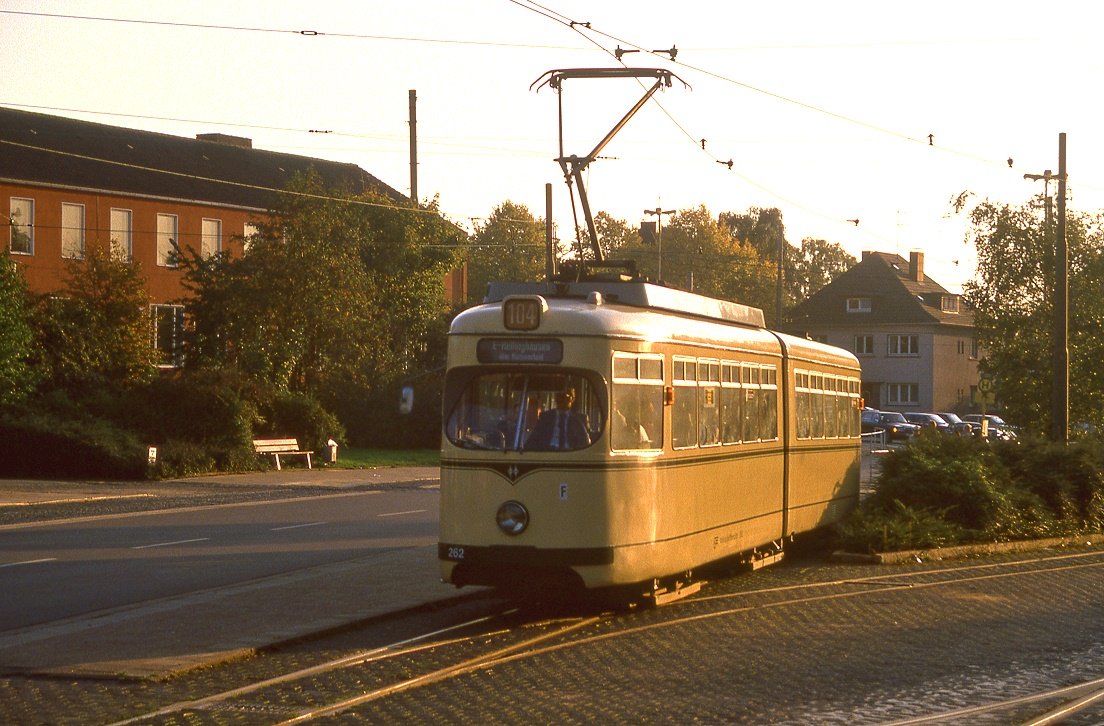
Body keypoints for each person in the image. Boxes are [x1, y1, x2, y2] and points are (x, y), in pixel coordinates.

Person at [525, 388, 590, 451]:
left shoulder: (580, 419)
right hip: (549, 454)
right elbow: (533, 440)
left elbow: (585, 443)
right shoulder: (545, 417)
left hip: (571, 455)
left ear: (572, 399)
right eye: (559, 395)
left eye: (566, 396)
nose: (562, 399)